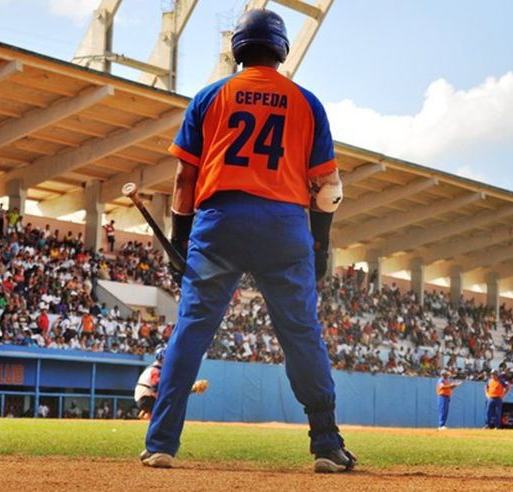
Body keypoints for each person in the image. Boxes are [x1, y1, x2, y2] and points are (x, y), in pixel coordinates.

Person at [141, 9, 352, 473]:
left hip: (219, 221)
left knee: (191, 330)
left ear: (238, 48)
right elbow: (329, 189)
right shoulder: (306, 102)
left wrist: (180, 238)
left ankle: (160, 443)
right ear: (281, 48)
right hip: (283, 224)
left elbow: (184, 178)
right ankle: (327, 444)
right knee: (301, 335)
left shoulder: (209, 96)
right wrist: (321, 244)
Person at [135, 347, 165, 420]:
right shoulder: (156, 369)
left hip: (143, 398)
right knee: (165, 406)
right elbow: (155, 384)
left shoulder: (152, 368)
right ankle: (146, 416)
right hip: (145, 398)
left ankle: (145, 413)